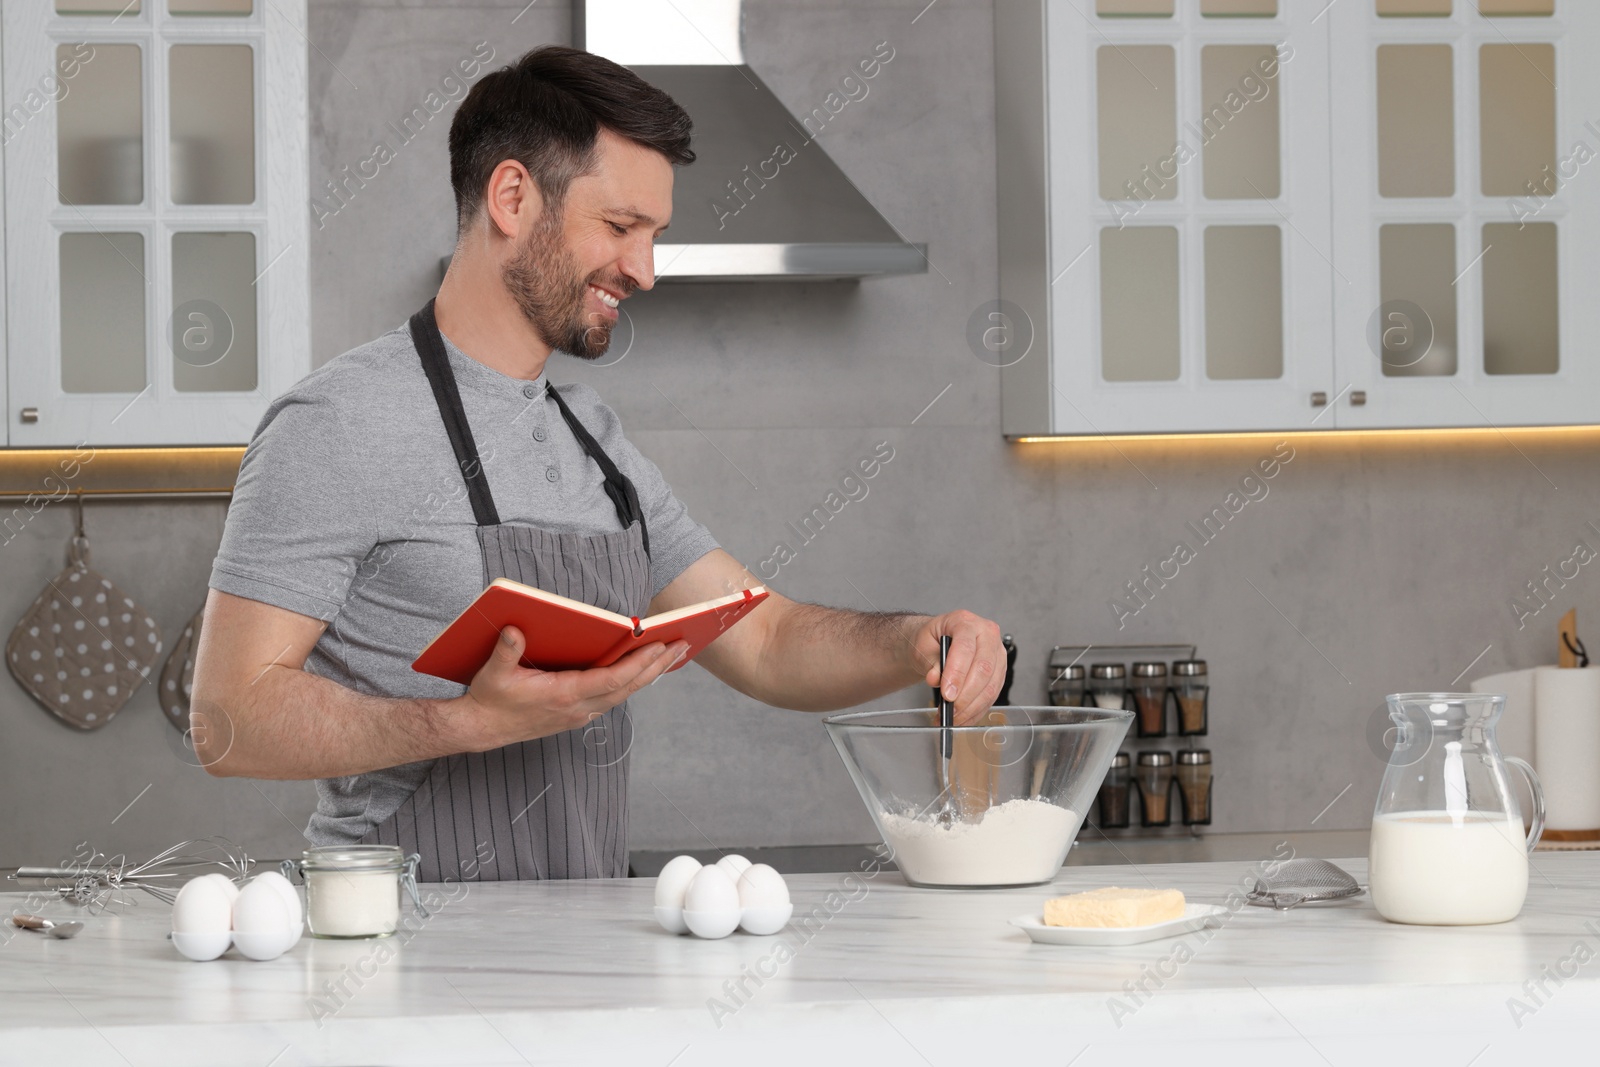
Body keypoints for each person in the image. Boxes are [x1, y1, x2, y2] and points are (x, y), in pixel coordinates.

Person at [191, 45, 1003, 883]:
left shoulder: (593, 440)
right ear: (512, 197)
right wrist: (464, 722)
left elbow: (763, 638)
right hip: (400, 956)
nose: (645, 271)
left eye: (654, 236)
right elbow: (226, 716)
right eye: (621, 227)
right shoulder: (338, 423)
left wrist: (914, 641)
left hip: (583, 944)